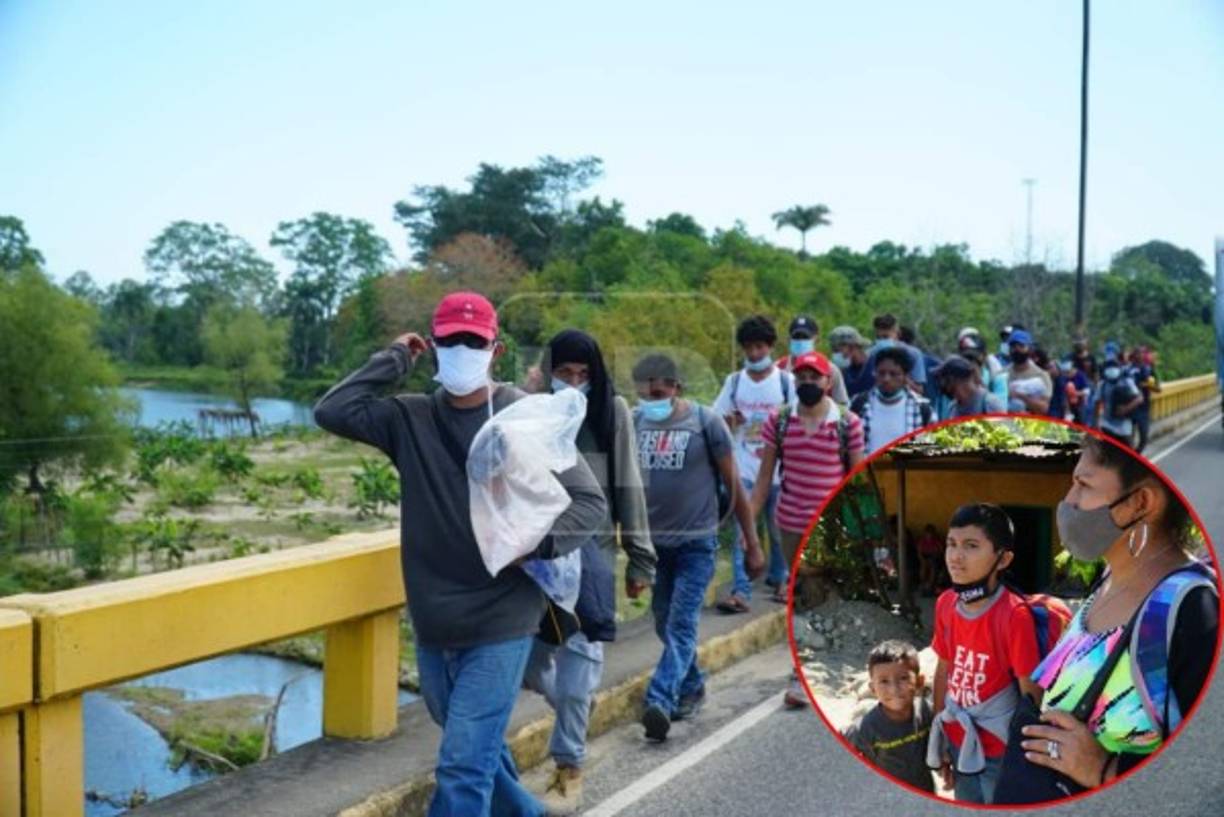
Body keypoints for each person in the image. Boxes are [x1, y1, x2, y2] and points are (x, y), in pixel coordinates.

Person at [313, 291, 608, 817]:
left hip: (503, 615)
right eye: (450, 340)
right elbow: (333, 410)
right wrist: (395, 358)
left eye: (474, 340)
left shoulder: (522, 416)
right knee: (479, 757)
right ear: (435, 343)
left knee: (460, 768)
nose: (462, 348)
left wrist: (535, 543)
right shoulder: (410, 419)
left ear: (495, 350)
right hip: (434, 621)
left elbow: (589, 504)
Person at [1014, 436, 1218, 796]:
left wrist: (1106, 769)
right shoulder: (1107, 577)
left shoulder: (1193, 610)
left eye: (1084, 484)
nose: (1068, 501)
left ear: (1140, 502)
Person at [521, 329, 657, 814]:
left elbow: (629, 486)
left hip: (592, 559)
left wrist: (640, 558)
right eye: (564, 374)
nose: (574, 384)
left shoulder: (611, 412)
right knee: (529, 666)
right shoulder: (529, 409)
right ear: (549, 372)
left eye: (583, 375)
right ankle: (577, 709)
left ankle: (569, 764)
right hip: (533, 561)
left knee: (580, 667)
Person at [633, 353, 765, 742]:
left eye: (662, 386)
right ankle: (692, 685)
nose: (655, 393)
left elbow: (735, 486)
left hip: (696, 545)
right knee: (662, 619)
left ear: (677, 387)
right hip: (655, 547)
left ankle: (659, 698)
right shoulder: (635, 422)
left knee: (681, 623)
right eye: (648, 387)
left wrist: (753, 543)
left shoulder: (705, 422)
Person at [752, 351, 865, 706]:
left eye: (814, 377)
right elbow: (764, 478)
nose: (807, 383)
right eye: (801, 377)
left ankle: (815, 670)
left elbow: (856, 482)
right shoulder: (780, 421)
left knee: (820, 596)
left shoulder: (848, 423)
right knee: (806, 597)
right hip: (789, 524)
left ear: (828, 382)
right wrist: (749, 529)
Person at [926, 503, 1045, 805]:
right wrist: (939, 737)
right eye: (951, 544)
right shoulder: (945, 604)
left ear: (1003, 558)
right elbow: (944, 670)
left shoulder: (1014, 615)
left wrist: (1026, 759)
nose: (955, 556)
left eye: (971, 546)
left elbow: (1031, 695)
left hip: (1002, 751)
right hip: (958, 741)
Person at [712, 316, 796, 613]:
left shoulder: (786, 383)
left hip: (778, 470)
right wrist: (730, 420)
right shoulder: (734, 382)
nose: (755, 354)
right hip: (743, 466)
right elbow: (716, 419)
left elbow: (799, 420)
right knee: (742, 532)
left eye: (760, 347)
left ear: (770, 347)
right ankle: (741, 590)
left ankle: (782, 578)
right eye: (749, 348)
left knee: (778, 528)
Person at [844, 640, 936, 793]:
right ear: (873, 688)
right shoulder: (866, 727)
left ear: (919, 682)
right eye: (884, 681)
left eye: (903, 678)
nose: (894, 689)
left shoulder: (927, 711)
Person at [850, 346, 933, 455]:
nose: (886, 379)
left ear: (905, 377)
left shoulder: (923, 409)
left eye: (893, 374)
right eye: (881, 373)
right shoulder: (859, 404)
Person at [777, 315, 850, 406]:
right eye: (797, 337)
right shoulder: (778, 368)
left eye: (805, 338)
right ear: (789, 340)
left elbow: (842, 404)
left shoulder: (830, 370)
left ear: (817, 340)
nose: (801, 341)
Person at [1093, 346, 1143, 448]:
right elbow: (1097, 403)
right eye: (1109, 367)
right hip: (1107, 424)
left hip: (1124, 425)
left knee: (1128, 451)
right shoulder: (1102, 384)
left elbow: (1139, 398)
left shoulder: (1127, 381)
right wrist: (1096, 423)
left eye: (1114, 366)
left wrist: (1126, 409)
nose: (1111, 370)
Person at [933, 355, 1005, 420]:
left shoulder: (989, 403)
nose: (945, 386)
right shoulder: (953, 408)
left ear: (957, 380)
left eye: (947, 381)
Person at [867, 313, 927, 388]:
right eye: (878, 338)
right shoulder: (871, 354)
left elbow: (919, 390)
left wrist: (902, 377)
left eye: (886, 337)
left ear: (897, 334)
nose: (882, 341)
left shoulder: (913, 354)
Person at [1004, 330, 1052, 414]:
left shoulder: (1041, 375)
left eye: (1021, 346)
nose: (1017, 349)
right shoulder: (1002, 374)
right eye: (1013, 346)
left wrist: (1019, 396)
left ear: (1029, 349)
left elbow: (1044, 408)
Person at [956, 328, 1008, 406]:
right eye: (966, 357)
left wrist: (979, 384)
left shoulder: (995, 378)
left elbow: (1000, 410)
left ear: (984, 356)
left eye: (973, 357)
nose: (970, 362)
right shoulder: (954, 379)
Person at [1127, 346, 1159, 453]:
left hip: (1143, 408)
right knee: (1128, 437)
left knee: (1144, 437)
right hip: (1129, 407)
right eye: (1137, 353)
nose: (1139, 356)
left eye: (1141, 353)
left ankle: (1137, 453)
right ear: (1133, 355)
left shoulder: (1148, 370)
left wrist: (1146, 385)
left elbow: (1157, 389)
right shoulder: (1127, 370)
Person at [830, 325, 874, 400]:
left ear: (852, 347)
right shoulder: (844, 371)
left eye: (837, 350)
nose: (836, 355)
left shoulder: (874, 367)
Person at [917, 524, 943, 596]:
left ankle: (930, 585)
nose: (929, 535)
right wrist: (923, 560)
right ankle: (923, 584)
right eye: (928, 533)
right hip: (925, 557)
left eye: (931, 533)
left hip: (934, 558)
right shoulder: (922, 541)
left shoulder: (936, 540)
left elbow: (940, 551)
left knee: (933, 567)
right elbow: (919, 553)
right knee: (924, 566)